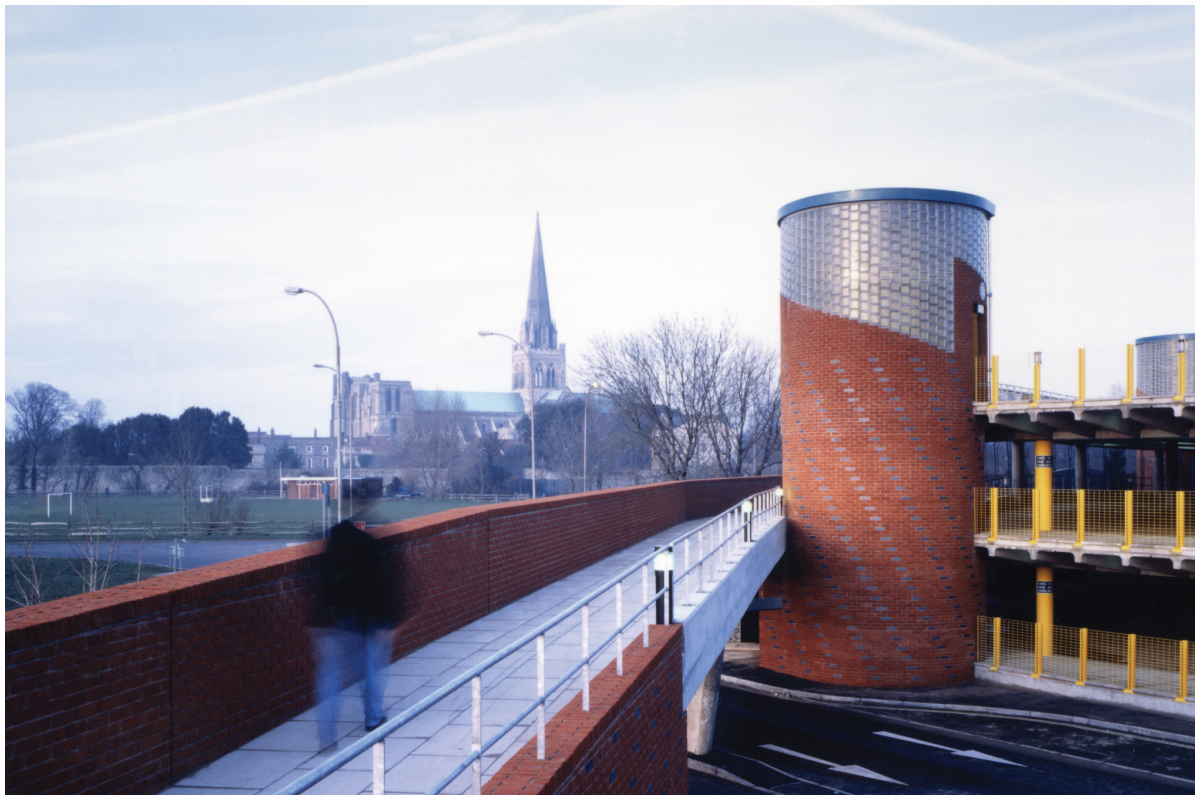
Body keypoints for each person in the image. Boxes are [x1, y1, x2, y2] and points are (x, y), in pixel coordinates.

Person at [312, 519, 402, 751]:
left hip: (333, 621)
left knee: (330, 678)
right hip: (359, 622)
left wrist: (324, 614)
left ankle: (326, 735)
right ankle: (373, 718)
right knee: (369, 669)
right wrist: (387, 619)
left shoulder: (332, 550)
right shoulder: (365, 546)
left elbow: (330, 581)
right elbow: (378, 583)